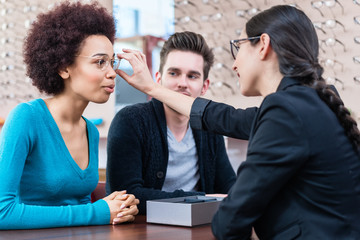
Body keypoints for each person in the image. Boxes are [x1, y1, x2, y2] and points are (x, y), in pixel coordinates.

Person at [116, 5, 360, 240]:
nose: (234, 63)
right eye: (174, 73)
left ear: (263, 45)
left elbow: (229, 222)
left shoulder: (285, 110)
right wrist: (150, 88)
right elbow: (226, 117)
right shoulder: (307, 104)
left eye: (239, 46)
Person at [0, 1, 139, 230]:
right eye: (100, 62)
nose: (112, 73)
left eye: (112, 62)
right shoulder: (25, 119)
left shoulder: (90, 131)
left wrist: (119, 210)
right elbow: (3, 213)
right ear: (64, 68)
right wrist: (98, 212)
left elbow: (80, 202)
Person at [106, 31, 256, 214]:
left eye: (192, 76)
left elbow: (228, 187)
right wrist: (199, 199)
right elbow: (125, 196)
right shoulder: (131, 121)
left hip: (199, 228)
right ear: (159, 79)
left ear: (205, 86)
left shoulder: (210, 128)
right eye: (174, 73)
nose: (182, 83)